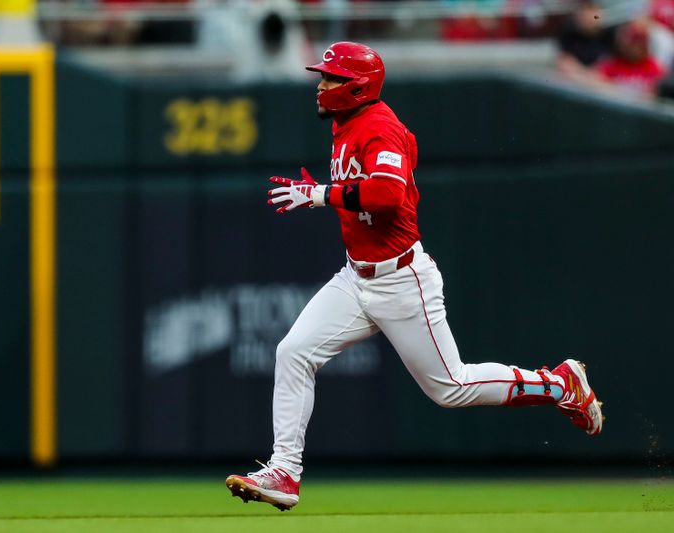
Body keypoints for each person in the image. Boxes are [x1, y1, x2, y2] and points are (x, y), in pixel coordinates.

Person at [225, 41, 604, 511]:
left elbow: (386, 194)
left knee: (451, 388)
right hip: (355, 277)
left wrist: (322, 194)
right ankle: (285, 472)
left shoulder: (379, 127)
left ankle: (559, 384)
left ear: (358, 86)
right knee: (293, 352)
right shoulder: (347, 125)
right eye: (323, 76)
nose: (321, 86)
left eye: (332, 78)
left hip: (402, 280)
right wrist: (327, 193)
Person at [595, 19, 668, 97]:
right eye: (632, 42)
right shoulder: (610, 64)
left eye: (639, 42)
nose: (635, 47)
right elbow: (595, 83)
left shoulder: (655, 68)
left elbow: (658, 95)